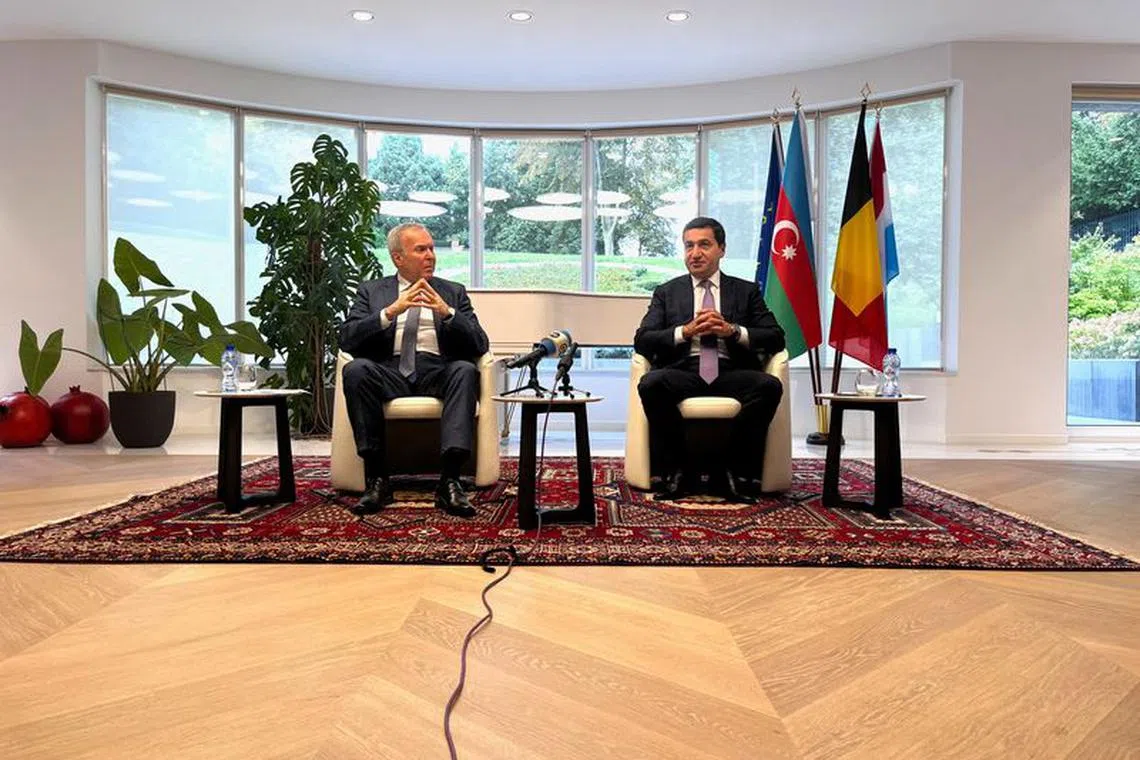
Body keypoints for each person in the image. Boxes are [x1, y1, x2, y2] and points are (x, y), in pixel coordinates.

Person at [338, 222, 489, 518]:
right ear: (398, 258)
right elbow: (347, 338)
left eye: (431, 248)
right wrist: (390, 312)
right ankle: (377, 479)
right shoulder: (372, 292)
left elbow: (480, 344)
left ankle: (450, 481)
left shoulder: (452, 292)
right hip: (388, 371)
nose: (431, 255)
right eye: (421, 249)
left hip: (437, 371)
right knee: (356, 370)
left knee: (464, 370)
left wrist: (447, 314)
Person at [634, 216, 785, 501]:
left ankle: (731, 471)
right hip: (684, 372)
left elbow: (775, 337)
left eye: (704, 245)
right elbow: (642, 340)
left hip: (731, 371)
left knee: (769, 387)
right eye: (689, 246)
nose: (695, 253)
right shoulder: (667, 292)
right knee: (651, 383)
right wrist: (684, 331)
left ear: (722, 249)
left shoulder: (746, 291)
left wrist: (732, 331)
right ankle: (679, 471)